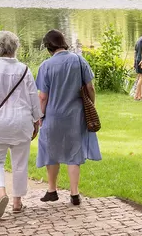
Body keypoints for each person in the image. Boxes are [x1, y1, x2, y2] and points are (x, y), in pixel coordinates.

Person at [0, 31, 41, 218]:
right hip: (22, 121)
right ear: (16, 48)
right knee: (20, 162)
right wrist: (37, 120)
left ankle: (1, 193)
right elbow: (33, 98)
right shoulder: (24, 69)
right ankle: (17, 201)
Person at [36, 30, 101, 206]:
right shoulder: (79, 61)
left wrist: (40, 115)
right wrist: (92, 106)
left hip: (53, 116)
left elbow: (43, 97)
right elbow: (90, 87)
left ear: (49, 47)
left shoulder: (46, 66)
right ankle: (74, 194)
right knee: (74, 153)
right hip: (76, 116)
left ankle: (52, 190)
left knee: (51, 151)